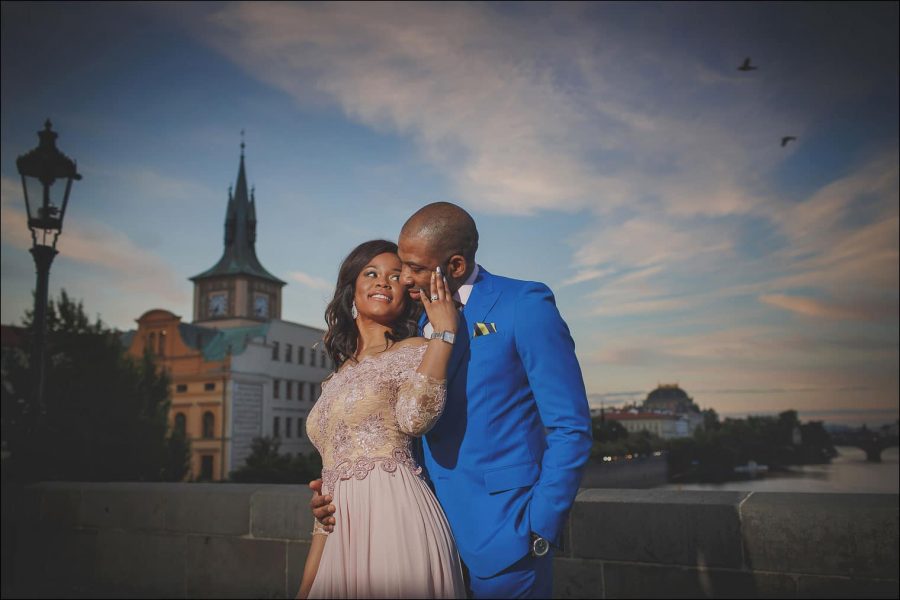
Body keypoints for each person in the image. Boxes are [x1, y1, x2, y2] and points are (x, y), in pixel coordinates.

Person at [311, 203, 593, 598]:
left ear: (456, 265)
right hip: (419, 530)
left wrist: (540, 524)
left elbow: (571, 426)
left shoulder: (523, 304)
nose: (404, 277)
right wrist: (340, 495)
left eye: (414, 267)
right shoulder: (414, 322)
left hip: (505, 532)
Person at [296, 239, 466, 599]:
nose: (383, 282)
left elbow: (415, 419)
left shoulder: (417, 349)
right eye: (371, 273)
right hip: (339, 528)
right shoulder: (336, 376)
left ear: (406, 295)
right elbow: (328, 480)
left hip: (396, 515)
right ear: (351, 288)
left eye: (394, 277)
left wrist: (444, 334)